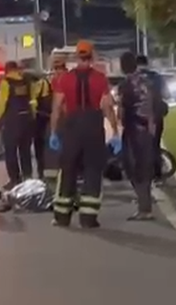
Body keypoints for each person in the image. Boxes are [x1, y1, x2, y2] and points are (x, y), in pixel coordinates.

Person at [48, 40, 121, 228]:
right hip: (93, 127)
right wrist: (114, 132)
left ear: (76, 57)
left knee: (68, 170)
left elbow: (56, 108)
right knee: (92, 170)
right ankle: (88, 218)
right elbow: (107, 107)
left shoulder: (65, 79)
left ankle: (62, 217)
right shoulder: (100, 78)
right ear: (92, 56)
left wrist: (54, 133)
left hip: (71, 127)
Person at [119, 52, 157, 220]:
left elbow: (121, 110)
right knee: (145, 167)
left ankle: (144, 208)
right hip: (147, 128)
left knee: (132, 167)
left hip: (133, 129)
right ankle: (145, 204)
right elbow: (154, 104)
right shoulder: (147, 81)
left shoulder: (125, 84)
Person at [0, 60, 36, 190]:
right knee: (25, 151)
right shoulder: (27, 82)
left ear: (7, 70)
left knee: (11, 152)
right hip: (26, 121)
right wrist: (32, 117)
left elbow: (1, 104)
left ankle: (14, 179)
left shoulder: (6, 83)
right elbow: (32, 101)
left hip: (12, 122)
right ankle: (28, 178)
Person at [136, 55, 169, 182]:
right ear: (147, 63)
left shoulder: (133, 78)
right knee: (155, 145)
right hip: (156, 116)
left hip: (138, 117)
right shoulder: (158, 78)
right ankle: (157, 175)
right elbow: (167, 94)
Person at [44, 56, 68, 180]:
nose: (58, 71)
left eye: (60, 68)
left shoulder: (67, 79)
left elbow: (58, 104)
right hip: (60, 117)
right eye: (56, 68)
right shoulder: (53, 81)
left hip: (67, 117)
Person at [31, 69, 52, 180]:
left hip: (41, 118)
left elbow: (35, 100)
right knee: (41, 145)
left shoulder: (41, 84)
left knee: (40, 146)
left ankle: (42, 171)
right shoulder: (44, 83)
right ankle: (42, 171)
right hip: (43, 118)